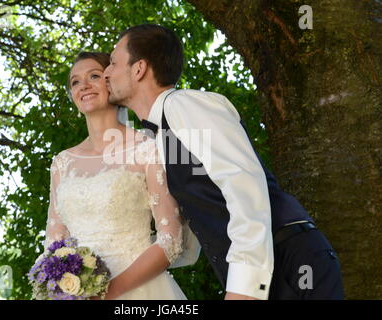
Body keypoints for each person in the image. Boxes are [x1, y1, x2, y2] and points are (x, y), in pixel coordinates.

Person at [103, 24, 344, 300]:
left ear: (138, 69)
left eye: (112, 62)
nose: (107, 72)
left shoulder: (185, 105)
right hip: (262, 270)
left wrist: (244, 288)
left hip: (289, 264)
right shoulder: (159, 135)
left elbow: (242, 183)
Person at [42, 51, 194, 300]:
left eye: (94, 75)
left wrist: (108, 292)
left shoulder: (148, 148)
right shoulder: (62, 163)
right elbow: (54, 242)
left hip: (138, 290)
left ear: (111, 81)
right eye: (75, 82)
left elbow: (171, 240)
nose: (84, 86)